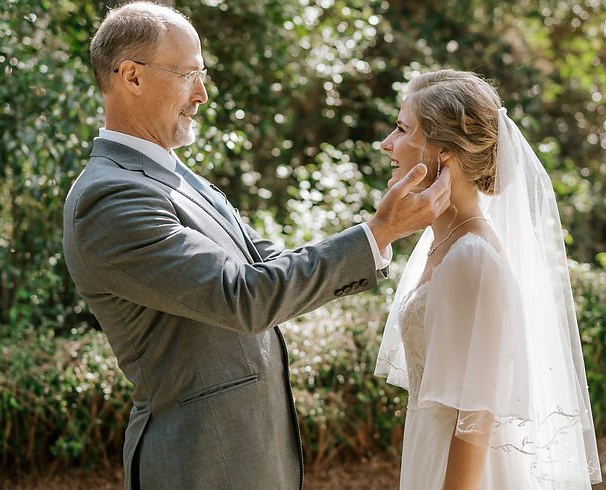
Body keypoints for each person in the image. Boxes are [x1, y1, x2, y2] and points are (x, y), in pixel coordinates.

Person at [61, 3, 450, 489]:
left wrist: (378, 232)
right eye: (188, 75)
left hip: (249, 456)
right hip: (199, 464)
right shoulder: (110, 199)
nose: (201, 94)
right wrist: (379, 233)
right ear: (132, 77)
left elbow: (270, 266)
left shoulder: (177, 179)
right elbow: (245, 297)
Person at [374, 69, 602, 489]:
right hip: (428, 452)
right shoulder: (438, 242)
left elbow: (475, 418)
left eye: (402, 129)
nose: (386, 143)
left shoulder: (471, 258)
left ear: (442, 151)